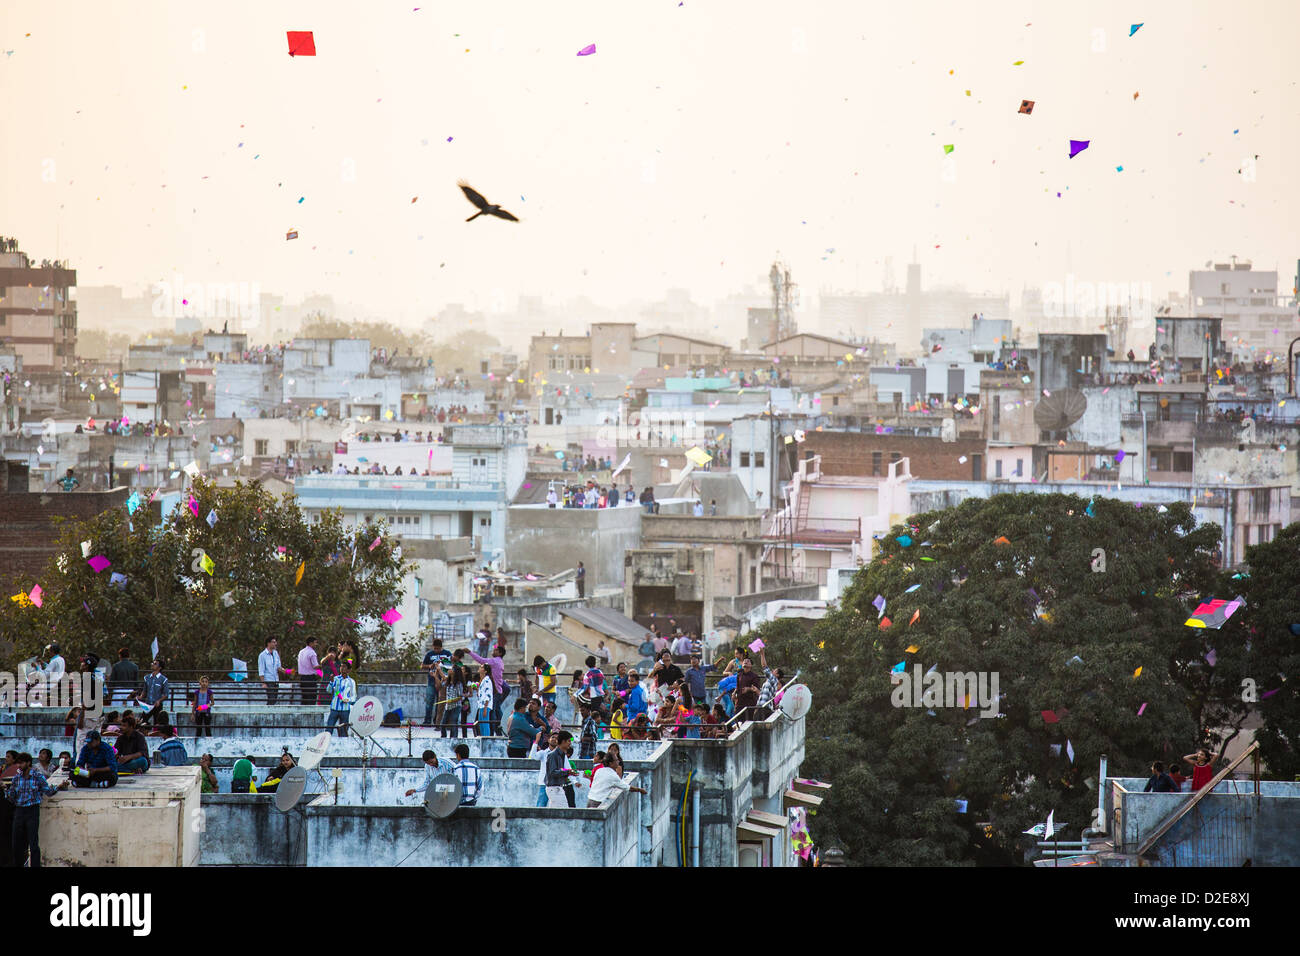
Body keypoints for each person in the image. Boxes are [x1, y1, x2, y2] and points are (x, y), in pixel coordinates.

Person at [6, 752, 68, 867]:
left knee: (33, 844)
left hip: (32, 811)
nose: (19, 766)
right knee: (16, 844)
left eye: (21, 763)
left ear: (28, 763)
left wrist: (58, 787)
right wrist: (6, 790)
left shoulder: (37, 776)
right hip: (19, 811)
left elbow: (48, 791)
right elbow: (11, 797)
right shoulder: (16, 778)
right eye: (18, 763)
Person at [469, 643, 506, 724]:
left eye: (496, 650)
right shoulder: (499, 662)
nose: (493, 651)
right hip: (498, 691)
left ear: (500, 653)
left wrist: (470, 652)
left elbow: (481, 660)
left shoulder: (495, 661)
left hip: (495, 692)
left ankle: (496, 731)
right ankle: (501, 729)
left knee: (491, 715)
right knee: (496, 713)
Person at [545, 732, 580, 807]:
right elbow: (552, 772)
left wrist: (569, 772)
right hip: (554, 788)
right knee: (562, 810)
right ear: (563, 741)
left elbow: (560, 769)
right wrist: (567, 772)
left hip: (558, 787)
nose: (570, 743)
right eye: (569, 741)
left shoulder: (561, 755)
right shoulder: (553, 755)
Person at [422, 638, 451, 726]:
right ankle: (427, 721)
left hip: (443, 681)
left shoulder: (447, 654)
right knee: (429, 701)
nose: (436, 650)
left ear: (441, 647)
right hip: (431, 681)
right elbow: (422, 665)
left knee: (440, 703)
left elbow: (450, 665)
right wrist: (430, 666)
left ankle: (437, 721)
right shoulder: (429, 654)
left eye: (438, 649)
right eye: (435, 648)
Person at [133, 658, 170, 727]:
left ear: (159, 668)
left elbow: (166, 694)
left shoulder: (163, 679)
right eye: (153, 663)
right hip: (148, 705)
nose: (152, 665)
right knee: (142, 722)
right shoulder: (147, 678)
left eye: (155, 664)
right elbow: (145, 690)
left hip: (157, 705)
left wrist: (159, 701)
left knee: (158, 724)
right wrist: (141, 697)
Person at [326, 662, 357, 737]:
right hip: (334, 708)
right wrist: (331, 682)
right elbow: (329, 690)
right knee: (329, 728)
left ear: (349, 670)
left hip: (345, 709)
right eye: (341, 666)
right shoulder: (335, 679)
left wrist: (348, 700)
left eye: (344, 667)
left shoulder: (351, 682)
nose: (342, 668)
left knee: (343, 730)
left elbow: (353, 696)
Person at [441, 662, 467, 738]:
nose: (449, 670)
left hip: (456, 706)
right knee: (443, 723)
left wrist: (453, 700)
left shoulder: (458, 684)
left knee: (453, 722)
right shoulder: (448, 682)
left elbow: (460, 695)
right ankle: (443, 737)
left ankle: (454, 738)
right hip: (448, 706)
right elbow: (441, 685)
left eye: (452, 669)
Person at [531, 732, 556, 807]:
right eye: (553, 737)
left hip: (556, 784)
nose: (554, 739)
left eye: (557, 738)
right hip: (544, 783)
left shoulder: (561, 754)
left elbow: (565, 767)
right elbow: (533, 756)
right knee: (541, 804)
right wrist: (536, 741)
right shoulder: (543, 753)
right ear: (548, 740)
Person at [259, 637, 284, 705]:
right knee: (271, 699)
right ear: (268, 643)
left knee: (274, 699)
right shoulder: (262, 655)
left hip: (276, 679)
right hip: (268, 680)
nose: (275, 644)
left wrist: (287, 671)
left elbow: (278, 667)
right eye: (273, 642)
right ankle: (266, 713)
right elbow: (261, 670)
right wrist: (263, 683)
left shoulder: (275, 653)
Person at [297, 636, 320, 706]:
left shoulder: (301, 652)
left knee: (304, 697)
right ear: (311, 643)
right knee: (311, 698)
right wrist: (323, 665)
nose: (316, 644)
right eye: (315, 643)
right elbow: (315, 666)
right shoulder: (312, 653)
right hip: (310, 678)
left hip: (302, 678)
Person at [473, 664, 495, 737]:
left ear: (485, 671)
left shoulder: (487, 681)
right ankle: (483, 736)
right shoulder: (482, 680)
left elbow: (488, 695)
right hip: (481, 705)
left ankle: (486, 737)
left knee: (485, 724)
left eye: (481, 667)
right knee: (481, 724)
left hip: (485, 705)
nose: (479, 668)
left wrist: (485, 707)